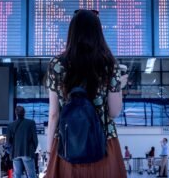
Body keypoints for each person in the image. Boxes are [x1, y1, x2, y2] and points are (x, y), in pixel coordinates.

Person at [45, 9, 128, 178]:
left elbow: (54, 114)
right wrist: (119, 86)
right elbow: (114, 112)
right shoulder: (109, 63)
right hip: (103, 144)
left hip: (67, 144)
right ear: (98, 33)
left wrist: (49, 152)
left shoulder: (56, 64)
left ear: (72, 32)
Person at [7, 106, 38, 178]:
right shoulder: (31, 123)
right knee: (31, 175)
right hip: (27, 152)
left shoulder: (10, 125)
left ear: (16, 113)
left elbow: (8, 142)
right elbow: (35, 139)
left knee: (17, 175)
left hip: (15, 153)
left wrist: (10, 151)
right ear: (24, 113)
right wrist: (33, 149)